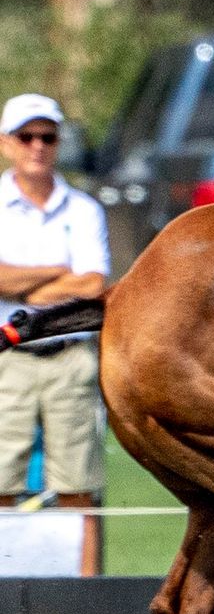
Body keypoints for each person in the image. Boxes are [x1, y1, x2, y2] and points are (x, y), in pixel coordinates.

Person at [0, 94, 109, 574]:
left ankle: (86, 596)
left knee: (78, 485)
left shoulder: (84, 209)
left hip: (70, 355)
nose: (37, 146)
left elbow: (92, 287)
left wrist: (22, 281)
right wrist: (58, 271)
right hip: (9, 354)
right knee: (1, 482)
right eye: (27, 136)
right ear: (7, 144)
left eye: (47, 136)